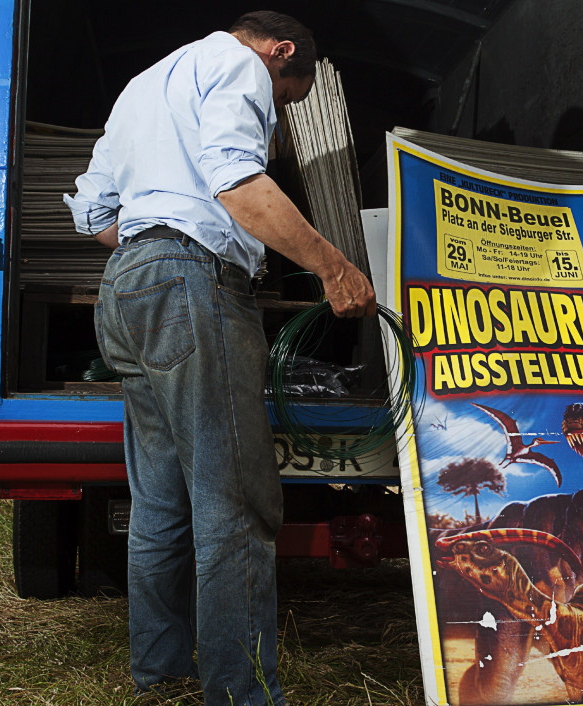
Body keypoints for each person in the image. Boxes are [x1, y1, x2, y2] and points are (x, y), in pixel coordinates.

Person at [64, 11, 375, 704]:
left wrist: (154, 242)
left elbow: (93, 217)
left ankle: (162, 675)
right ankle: (240, 692)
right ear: (281, 52)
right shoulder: (237, 65)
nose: (280, 109)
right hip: (189, 284)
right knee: (234, 502)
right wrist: (334, 268)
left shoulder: (143, 87)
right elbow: (237, 182)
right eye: (288, 96)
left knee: (160, 501)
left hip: (127, 290)